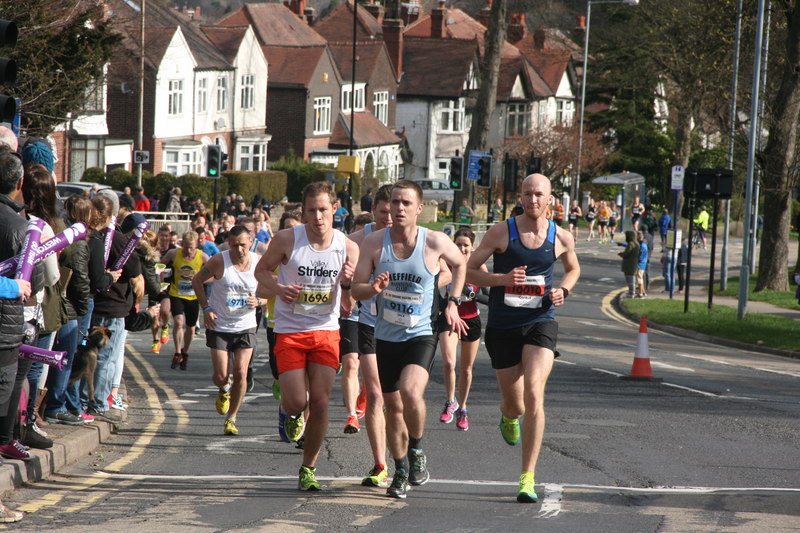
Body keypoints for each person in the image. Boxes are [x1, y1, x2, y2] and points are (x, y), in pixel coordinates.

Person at [466, 173, 579, 503]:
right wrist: (501, 278)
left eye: (539, 194)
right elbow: (469, 270)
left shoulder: (561, 235)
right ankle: (507, 414)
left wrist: (564, 290)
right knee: (515, 403)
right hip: (503, 327)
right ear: (520, 196)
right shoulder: (501, 231)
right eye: (528, 194)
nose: (533, 200)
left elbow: (573, 269)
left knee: (534, 391)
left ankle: (527, 476)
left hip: (540, 320)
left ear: (550, 198)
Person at [352, 179, 468, 499]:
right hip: (385, 335)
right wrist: (372, 289)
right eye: (394, 202)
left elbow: (460, 264)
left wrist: (453, 301)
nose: (398, 208)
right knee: (392, 408)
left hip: (421, 333)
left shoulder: (434, 242)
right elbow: (355, 288)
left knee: (410, 391)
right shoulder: (375, 243)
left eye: (406, 203)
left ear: (419, 209)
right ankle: (400, 469)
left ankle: (417, 449)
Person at [255, 181, 358, 492]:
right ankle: (289, 411)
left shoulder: (347, 247)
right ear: (303, 211)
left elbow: (349, 305)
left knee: (322, 403)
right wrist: (280, 288)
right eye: (311, 210)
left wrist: (348, 286)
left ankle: (308, 468)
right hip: (289, 330)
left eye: (323, 210)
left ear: (335, 209)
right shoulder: (288, 239)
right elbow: (261, 272)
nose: (318, 217)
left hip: (326, 331)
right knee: (298, 401)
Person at [192, 225, 266, 435]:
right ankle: (224, 389)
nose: (239, 250)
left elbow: (270, 289)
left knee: (241, 373)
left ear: (250, 241)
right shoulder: (219, 261)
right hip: (220, 325)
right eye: (234, 245)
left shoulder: (259, 263)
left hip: (245, 325)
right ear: (228, 244)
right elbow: (197, 280)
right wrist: (206, 307)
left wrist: (259, 300)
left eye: (243, 244)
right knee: (221, 375)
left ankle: (231, 418)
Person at [0, 148, 45, 467]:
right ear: (19, 182)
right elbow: (38, 280)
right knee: (4, 394)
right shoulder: (21, 228)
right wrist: (15, 286)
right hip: (5, 325)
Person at [348, 184, 393, 486]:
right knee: (376, 394)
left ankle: (408, 453)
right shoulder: (357, 240)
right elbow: (339, 265)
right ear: (373, 210)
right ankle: (380, 464)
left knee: (400, 399)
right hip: (368, 323)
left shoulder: (417, 240)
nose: (391, 216)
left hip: (406, 329)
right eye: (384, 211)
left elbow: (447, 269)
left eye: (395, 210)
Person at [86, 191, 142, 422]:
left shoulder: (90, 235)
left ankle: (90, 399)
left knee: (92, 354)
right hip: (112, 310)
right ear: (115, 213)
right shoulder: (116, 240)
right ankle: (99, 402)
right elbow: (136, 271)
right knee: (105, 356)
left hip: (95, 307)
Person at [438, 228, 486, 432]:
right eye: (458, 244)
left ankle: (463, 407)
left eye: (466, 244)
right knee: (449, 362)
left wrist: (476, 294)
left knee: (466, 369)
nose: (462, 248)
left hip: (471, 320)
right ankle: (450, 401)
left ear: (472, 247)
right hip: (450, 317)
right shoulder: (448, 265)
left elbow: (490, 292)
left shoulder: (478, 266)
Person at [161, 231, 209, 370]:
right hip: (177, 293)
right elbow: (160, 267)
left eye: (192, 247)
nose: (189, 250)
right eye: (186, 247)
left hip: (193, 296)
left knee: (191, 327)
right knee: (178, 321)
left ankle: (185, 352)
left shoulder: (202, 257)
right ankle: (177, 351)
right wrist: (161, 282)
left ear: (197, 246)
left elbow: (214, 272)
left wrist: (201, 280)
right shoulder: (174, 254)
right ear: (182, 245)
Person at [618, 230, 640, 298]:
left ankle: (631, 293)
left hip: (629, 263)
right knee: (632, 277)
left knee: (629, 278)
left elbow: (627, 253)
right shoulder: (637, 243)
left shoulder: (630, 244)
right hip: (634, 262)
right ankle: (632, 292)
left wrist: (621, 254)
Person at [636, 230, 649, 298]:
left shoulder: (642, 246)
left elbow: (640, 256)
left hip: (640, 264)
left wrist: (636, 259)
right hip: (643, 263)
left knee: (639, 278)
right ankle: (643, 292)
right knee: (640, 278)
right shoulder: (643, 244)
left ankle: (640, 293)